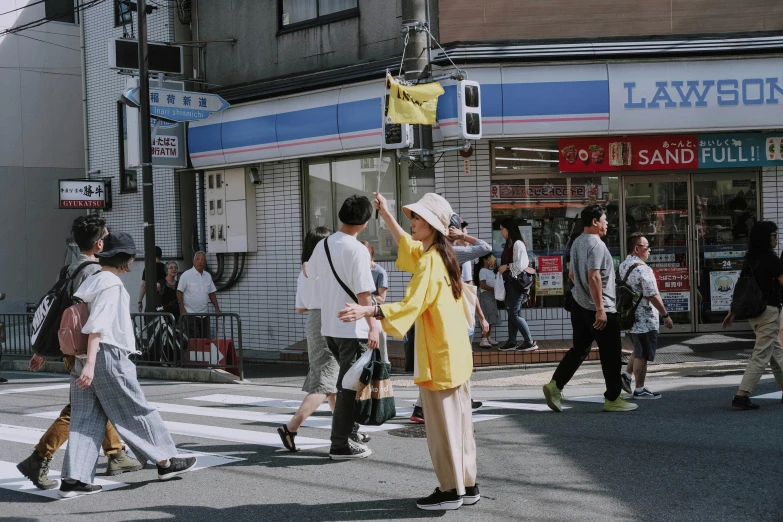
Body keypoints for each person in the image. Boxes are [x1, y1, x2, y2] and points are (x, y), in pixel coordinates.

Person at [339, 192, 479, 511]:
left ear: (431, 224)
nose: (412, 222)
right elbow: (408, 245)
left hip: (439, 358)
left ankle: (449, 491)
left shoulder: (430, 261)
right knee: (460, 425)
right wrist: (386, 214)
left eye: (417, 218)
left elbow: (409, 306)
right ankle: (468, 485)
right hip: (455, 355)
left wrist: (368, 311)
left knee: (442, 430)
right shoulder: (443, 255)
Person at [60, 232, 197, 498]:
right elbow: (97, 327)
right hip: (105, 355)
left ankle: (74, 478)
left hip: (83, 357)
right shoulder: (111, 284)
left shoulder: (93, 280)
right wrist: (91, 364)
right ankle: (166, 461)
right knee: (136, 409)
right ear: (126, 258)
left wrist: (85, 363)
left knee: (84, 418)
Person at [17, 216, 142, 490]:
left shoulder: (71, 268)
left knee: (97, 402)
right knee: (79, 409)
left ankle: (116, 453)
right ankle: (39, 457)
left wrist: (45, 349)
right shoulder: (96, 272)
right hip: (87, 349)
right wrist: (91, 358)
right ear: (100, 244)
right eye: (107, 237)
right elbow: (89, 318)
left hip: (70, 346)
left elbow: (60, 313)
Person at [542, 204, 637, 413]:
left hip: (579, 305)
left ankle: (555, 385)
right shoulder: (597, 244)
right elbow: (594, 277)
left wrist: (583, 295)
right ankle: (613, 398)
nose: (607, 223)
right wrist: (600, 308)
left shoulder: (577, 242)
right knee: (610, 354)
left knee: (579, 349)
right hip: (600, 309)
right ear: (595, 222)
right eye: (604, 220)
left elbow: (572, 275)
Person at [306, 195, 380, 460]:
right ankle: (340, 444)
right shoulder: (357, 249)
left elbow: (308, 273)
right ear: (365, 221)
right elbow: (364, 295)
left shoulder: (323, 245)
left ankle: (348, 435)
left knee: (347, 384)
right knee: (348, 388)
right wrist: (373, 327)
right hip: (352, 328)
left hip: (330, 327)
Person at [409, 214, 490, 423]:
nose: (461, 231)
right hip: (452, 314)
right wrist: (463, 236)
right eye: (457, 228)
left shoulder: (430, 250)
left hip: (440, 313)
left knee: (439, 362)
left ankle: (424, 407)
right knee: (457, 361)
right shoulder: (450, 252)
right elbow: (485, 248)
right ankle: (449, 405)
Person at [278, 227, 341, 451]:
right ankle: (291, 427)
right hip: (328, 322)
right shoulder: (325, 269)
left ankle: (345, 429)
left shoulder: (303, 270)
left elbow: (300, 307)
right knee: (325, 382)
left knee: (331, 381)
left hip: (314, 321)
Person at [723, 221, 783, 410]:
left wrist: (732, 310)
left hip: (754, 314)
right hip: (769, 312)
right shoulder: (772, 259)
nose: (776, 239)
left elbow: (742, 287)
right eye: (773, 235)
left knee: (776, 352)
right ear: (765, 238)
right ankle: (742, 395)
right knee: (761, 354)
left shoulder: (750, 258)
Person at [618, 233, 673, 399]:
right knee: (642, 354)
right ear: (637, 248)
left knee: (638, 348)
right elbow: (652, 295)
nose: (649, 250)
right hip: (645, 317)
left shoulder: (623, 265)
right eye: (646, 247)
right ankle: (640, 389)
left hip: (631, 316)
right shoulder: (643, 268)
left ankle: (626, 376)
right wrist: (666, 315)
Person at [497, 219, 539, 352]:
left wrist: (507, 266)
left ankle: (529, 341)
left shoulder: (517, 244)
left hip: (516, 283)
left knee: (513, 313)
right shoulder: (510, 243)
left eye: (502, 228)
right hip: (511, 283)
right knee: (512, 313)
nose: (501, 231)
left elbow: (521, 264)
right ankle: (512, 341)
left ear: (509, 229)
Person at [177, 251, 220, 339]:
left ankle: (202, 353)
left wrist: (216, 307)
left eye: (202, 260)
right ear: (194, 261)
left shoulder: (207, 276)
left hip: (204, 314)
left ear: (205, 263)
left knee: (204, 339)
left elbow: (211, 293)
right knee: (193, 340)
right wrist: (182, 309)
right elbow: (179, 292)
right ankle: (190, 353)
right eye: (197, 259)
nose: (200, 261)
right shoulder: (186, 275)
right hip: (190, 313)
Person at [361, 240, 389, 364]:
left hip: (375, 312)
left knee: (380, 343)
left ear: (371, 256)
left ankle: (384, 367)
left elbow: (382, 299)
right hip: (361, 312)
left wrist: (364, 296)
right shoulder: (357, 270)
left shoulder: (379, 272)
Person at [475, 253, 500, 348]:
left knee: (492, 316)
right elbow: (483, 285)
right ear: (485, 260)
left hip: (492, 296)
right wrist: (494, 289)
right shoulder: (482, 271)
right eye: (490, 258)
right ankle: (484, 339)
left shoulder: (491, 270)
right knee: (486, 316)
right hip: (486, 295)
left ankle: (488, 337)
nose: (493, 259)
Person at [138, 246, 166, 312]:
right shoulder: (165, 268)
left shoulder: (148, 268)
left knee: (150, 319)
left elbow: (144, 286)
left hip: (151, 300)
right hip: (164, 300)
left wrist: (140, 301)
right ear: (160, 255)